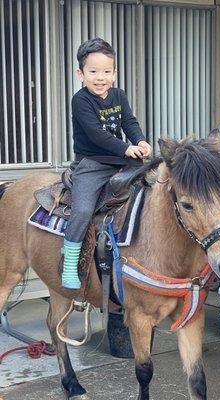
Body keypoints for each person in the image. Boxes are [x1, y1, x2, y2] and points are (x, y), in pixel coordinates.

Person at [61, 37, 152, 289]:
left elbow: (129, 122)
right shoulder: (80, 101)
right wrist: (127, 148)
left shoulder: (119, 95)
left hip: (122, 161)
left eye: (106, 71)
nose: (100, 77)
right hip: (92, 163)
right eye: (93, 71)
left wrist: (141, 141)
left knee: (155, 190)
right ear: (80, 73)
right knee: (81, 210)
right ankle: (70, 259)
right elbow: (95, 134)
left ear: (115, 73)